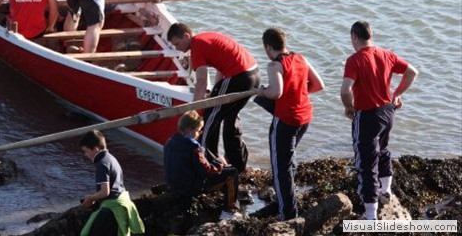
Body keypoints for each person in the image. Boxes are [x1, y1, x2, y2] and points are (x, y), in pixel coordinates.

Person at [340, 21, 418, 220]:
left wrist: (349, 107)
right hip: (387, 112)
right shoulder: (387, 54)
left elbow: (345, 89)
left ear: (354, 36)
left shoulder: (354, 60)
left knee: (366, 163)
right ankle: (386, 191)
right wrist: (397, 94)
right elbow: (412, 72)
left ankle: (370, 216)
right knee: (383, 150)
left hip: (367, 116)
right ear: (370, 36)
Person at [167, 22, 260, 172]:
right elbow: (221, 68)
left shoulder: (196, 45)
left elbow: (202, 80)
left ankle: (208, 161)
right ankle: (238, 164)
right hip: (254, 74)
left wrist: (194, 108)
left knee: (209, 116)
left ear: (186, 36)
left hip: (239, 76)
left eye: (177, 44)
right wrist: (216, 91)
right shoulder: (206, 38)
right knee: (231, 117)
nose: (176, 48)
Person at [254, 27, 324, 221]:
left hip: (286, 120)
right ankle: (285, 200)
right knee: (288, 160)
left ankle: (287, 214)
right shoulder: (301, 59)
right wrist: (297, 92)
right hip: (305, 118)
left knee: (280, 167)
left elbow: (276, 93)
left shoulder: (275, 65)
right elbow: (319, 85)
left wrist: (261, 91)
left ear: (268, 47)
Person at [164, 110, 241, 221]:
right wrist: (220, 163)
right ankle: (229, 211)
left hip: (174, 186)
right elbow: (207, 171)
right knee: (232, 173)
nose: (199, 134)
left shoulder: (169, 142)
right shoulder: (193, 148)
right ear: (188, 130)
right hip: (190, 189)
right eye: (198, 131)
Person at [79, 130, 145, 236]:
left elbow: (105, 192)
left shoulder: (101, 164)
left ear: (95, 149)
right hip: (122, 202)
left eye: (86, 151)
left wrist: (90, 198)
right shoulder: (111, 158)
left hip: (111, 209)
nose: (85, 155)